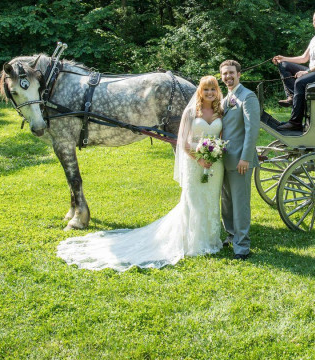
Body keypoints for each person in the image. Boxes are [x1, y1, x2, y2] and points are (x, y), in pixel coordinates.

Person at [55, 76, 225, 271]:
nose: (210, 93)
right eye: (206, 89)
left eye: (213, 89)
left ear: (217, 91)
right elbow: (183, 142)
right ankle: (193, 239)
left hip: (214, 163)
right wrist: (200, 157)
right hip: (196, 160)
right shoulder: (190, 112)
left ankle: (211, 237)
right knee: (193, 197)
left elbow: (223, 137)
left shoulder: (220, 112)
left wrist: (216, 152)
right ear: (200, 91)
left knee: (211, 197)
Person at [219, 60, 260, 260]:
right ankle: (231, 235)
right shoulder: (225, 98)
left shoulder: (247, 96)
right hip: (223, 160)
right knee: (226, 202)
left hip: (239, 162)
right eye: (225, 73)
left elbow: (252, 130)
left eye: (231, 73)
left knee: (240, 203)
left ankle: (242, 246)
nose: (228, 76)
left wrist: (245, 158)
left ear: (239, 74)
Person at [272, 10, 315, 131]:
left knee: (300, 82)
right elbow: (304, 58)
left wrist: (307, 72)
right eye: (313, 20)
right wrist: (283, 58)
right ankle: (293, 97)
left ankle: (295, 123)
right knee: (284, 65)